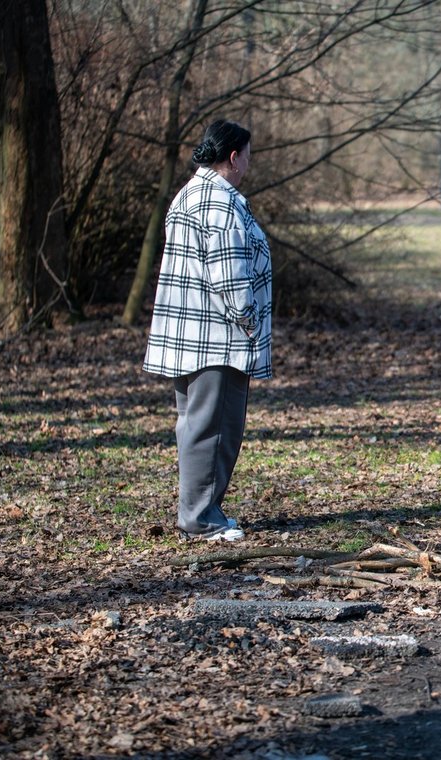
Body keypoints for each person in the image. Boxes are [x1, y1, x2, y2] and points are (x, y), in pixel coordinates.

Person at [144, 119, 272, 542]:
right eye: (249, 156)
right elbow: (230, 277)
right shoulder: (220, 201)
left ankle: (200, 512)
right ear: (233, 157)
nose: (250, 164)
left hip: (188, 335)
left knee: (195, 427)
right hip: (216, 338)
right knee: (214, 430)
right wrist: (250, 320)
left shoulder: (189, 194)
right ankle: (202, 520)